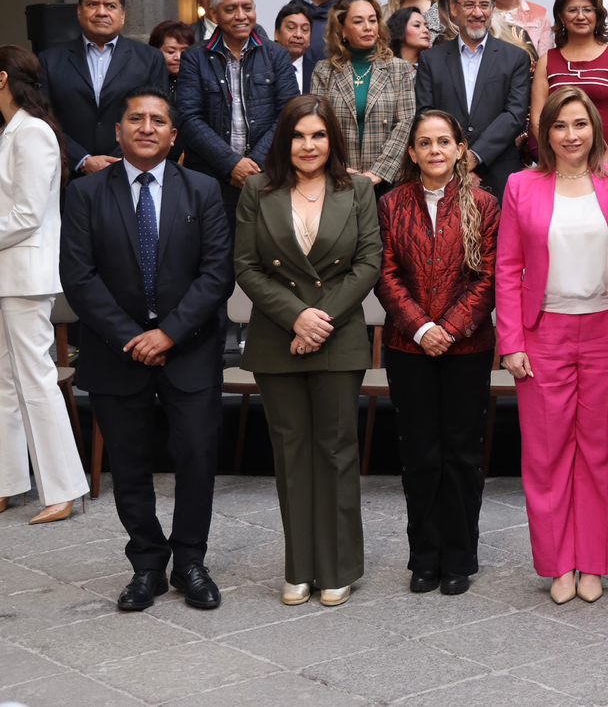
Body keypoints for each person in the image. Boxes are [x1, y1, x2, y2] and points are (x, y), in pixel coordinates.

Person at [59, 87, 232, 610]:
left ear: (174, 135)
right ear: (118, 131)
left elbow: (216, 272)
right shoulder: (86, 194)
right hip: (117, 351)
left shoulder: (203, 190)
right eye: (136, 119)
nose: (147, 128)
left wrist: (169, 334)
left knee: (197, 459)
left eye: (158, 120)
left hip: (191, 348)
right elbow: (79, 277)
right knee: (129, 465)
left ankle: (191, 563)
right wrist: (132, 337)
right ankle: (147, 566)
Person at [234, 94, 382, 608]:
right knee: (290, 453)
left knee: (338, 452)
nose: (309, 145)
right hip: (279, 339)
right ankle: (299, 566)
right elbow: (247, 265)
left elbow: (368, 263)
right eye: (299, 135)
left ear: (332, 140)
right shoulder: (257, 189)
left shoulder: (358, 189)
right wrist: (295, 316)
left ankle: (338, 566)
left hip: (337, 339)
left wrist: (319, 320)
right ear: (284, 139)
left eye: (318, 135)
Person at [498, 88, 608, 604]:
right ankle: (558, 564)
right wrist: (511, 341)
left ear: (595, 130)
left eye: (580, 124)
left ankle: (595, 561)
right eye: (560, 126)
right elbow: (508, 268)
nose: (571, 135)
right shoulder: (520, 186)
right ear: (545, 133)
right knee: (548, 454)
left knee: (604, 453)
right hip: (543, 334)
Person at [376, 109, 501, 595]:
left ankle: (459, 557)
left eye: (443, 142)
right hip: (408, 346)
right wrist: (421, 327)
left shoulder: (484, 205)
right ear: (411, 152)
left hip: (466, 347)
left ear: (459, 149)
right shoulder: (391, 204)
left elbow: (489, 277)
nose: (434, 151)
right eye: (424, 143)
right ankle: (423, 557)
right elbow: (385, 274)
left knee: (462, 453)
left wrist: (448, 328)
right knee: (420, 452)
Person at [0, 46, 90, 524]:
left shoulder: (32, 133)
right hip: (8, 273)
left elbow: (28, 215)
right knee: (5, 382)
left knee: (35, 380)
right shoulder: (14, 131)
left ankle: (64, 489)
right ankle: (8, 482)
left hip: (26, 274)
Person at [176, 0, 299, 217]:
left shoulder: (277, 55)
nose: (241, 15)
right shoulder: (194, 57)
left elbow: (289, 113)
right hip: (211, 178)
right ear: (214, 13)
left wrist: (254, 165)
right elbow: (189, 117)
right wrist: (231, 163)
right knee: (218, 250)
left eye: (248, 7)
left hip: (267, 176)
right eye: (231, 9)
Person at [415, 0, 533, 196]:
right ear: (454, 8)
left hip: (499, 172)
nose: (477, 13)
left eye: (484, 5)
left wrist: (475, 156)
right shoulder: (431, 60)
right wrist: (455, 158)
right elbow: (426, 114)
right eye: (469, 5)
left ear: (493, 8)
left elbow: (514, 114)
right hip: (444, 171)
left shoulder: (515, 58)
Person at [40, 0, 167, 176]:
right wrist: (82, 159)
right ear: (79, 12)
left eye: (110, 6)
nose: (101, 12)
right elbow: (44, 118)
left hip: (131, 173)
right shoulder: (50, 60)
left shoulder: (149, 59)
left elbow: (158, 116)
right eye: (92, 4)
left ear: (123, 14)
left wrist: (119, 160)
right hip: (69, 176)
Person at [311, 0, 417, 189]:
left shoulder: (400, 69)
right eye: (358, 22)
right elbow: (317, 126)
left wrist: (377, 173)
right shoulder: (324, 71)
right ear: (342, 30)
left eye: (373, 20)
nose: (368, 27)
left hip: (389, 183)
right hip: (338, 180)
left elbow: (406, 124)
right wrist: (338, 167)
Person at [531, 0, 608, 162]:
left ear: (597, 15)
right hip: (559, 162)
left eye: (587, 10)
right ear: (561, 17)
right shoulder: (546, 61)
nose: (580, 16)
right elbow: (537, 119)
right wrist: (557, 158)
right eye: (572, 10)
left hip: (607, 163)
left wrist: (607, 161)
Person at [148, 20, 195, 158]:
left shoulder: (199, 81)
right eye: (170, 51)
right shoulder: (146, 80)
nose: (178, 57)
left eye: (184, 51)